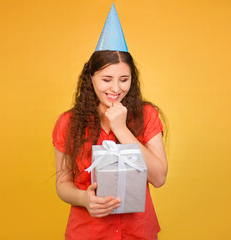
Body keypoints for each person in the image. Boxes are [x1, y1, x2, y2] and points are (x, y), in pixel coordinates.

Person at [52, 3, 168, 240]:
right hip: (88, 232)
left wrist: (121, 129)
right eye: (106, 79)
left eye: (124, 79)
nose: (116, 88)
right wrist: (84, 199)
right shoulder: (68, 122)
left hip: (137, 233)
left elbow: (159, 177)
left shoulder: (147, 115)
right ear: (91, 78)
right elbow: (63, 184)